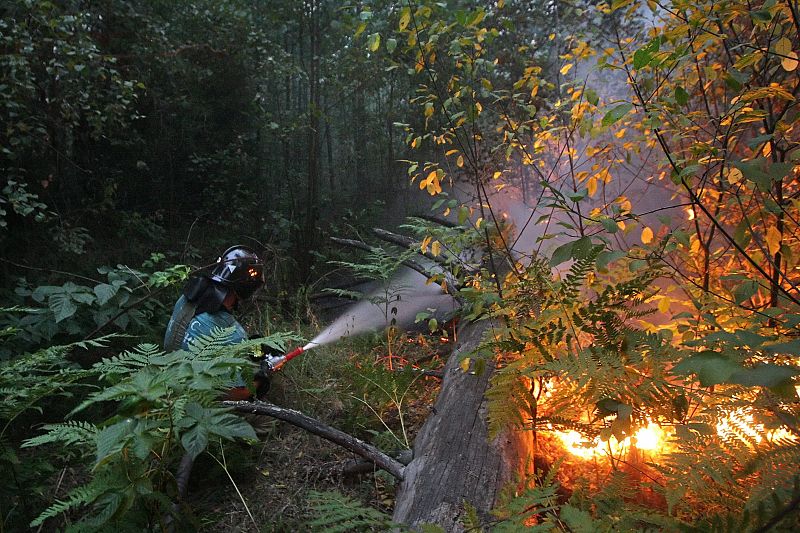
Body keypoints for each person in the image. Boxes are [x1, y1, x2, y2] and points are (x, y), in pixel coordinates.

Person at [164, 245, 272, 400]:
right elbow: (234, 394)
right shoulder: (232, 332)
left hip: (168, 383)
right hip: (198, 403)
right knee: (265, 418)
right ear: (248, 288)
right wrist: (262, 378)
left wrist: (252, 348)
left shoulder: (186, 300)